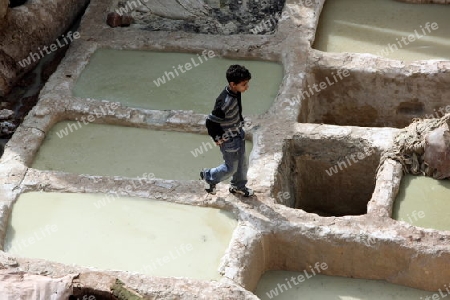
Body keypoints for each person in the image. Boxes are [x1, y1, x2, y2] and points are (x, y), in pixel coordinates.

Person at [200, 64, 254, 197]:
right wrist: (217, 137)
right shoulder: (225, 102)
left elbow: (237, 108)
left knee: (242, 164)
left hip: (238, 133)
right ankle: (208, 175)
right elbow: (210, 121)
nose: (247, 87)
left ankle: (238, 186)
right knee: (231, 168)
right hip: (229, 139)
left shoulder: (236, 92)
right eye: (244, 84)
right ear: (233, 84)